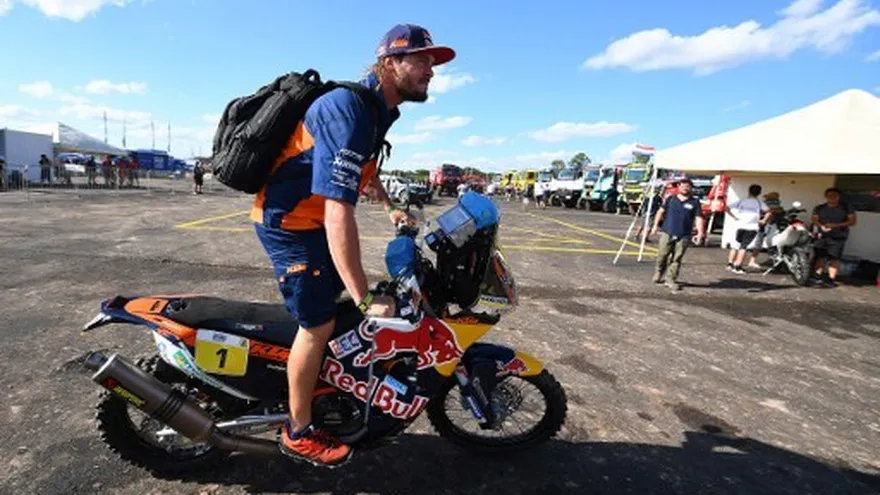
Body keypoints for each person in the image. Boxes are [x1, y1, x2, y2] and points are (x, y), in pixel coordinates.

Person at [251, 23, 455, 467]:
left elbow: (365, 167)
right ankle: (297, 430)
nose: (430, 71)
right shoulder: (348, 109)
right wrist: (365, 299)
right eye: (421, 60)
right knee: (319, 324)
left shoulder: (377, 109)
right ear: (389, 64)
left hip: (309, 221)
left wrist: (388, 207)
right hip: (289, 223)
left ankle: (326, 388)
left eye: (432, 62)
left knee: (338, 306)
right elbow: (337, 211)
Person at [650, 178, 706, 291]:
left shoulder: (694, 202)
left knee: (677, 258)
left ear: (691, 188)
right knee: (662, 255)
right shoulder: (671, 199)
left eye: (688, 186)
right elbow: (660, 212)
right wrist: (655, 226)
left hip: (684, 234)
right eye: (683, 185)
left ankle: (670, 279)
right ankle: (659, 272)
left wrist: (700, 233)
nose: (685, 188)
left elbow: (699, 218)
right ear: (679, 187)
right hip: (667, 232)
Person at [810, 188, 857, 287]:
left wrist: (836, 225)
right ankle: (817, 277)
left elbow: (852, 221)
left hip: (838, 237)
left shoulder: (846, 207)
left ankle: (831, 279)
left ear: (838, 197)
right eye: (829, 195)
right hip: (822, 236)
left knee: (834, 258)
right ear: (826, 196)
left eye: (834, 195)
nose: (832, 197)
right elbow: (814, 220)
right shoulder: (819, 208)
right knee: (820, 257)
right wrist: (821, 226)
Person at [725, 184, 772, 273]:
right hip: (751, 227)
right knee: (743, 247)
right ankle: (738, 267)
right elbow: (769, 212)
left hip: (739, 225)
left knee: (735, 246)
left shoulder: (742, 201)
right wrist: (763, 221)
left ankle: (730, 264)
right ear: (759, 193)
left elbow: (726, 208)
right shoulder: (759, 202)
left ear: (749, 191)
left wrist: (734, 217)